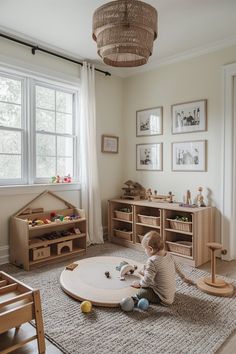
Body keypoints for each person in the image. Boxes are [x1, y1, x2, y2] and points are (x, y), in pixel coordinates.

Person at [131, 231, 194, 305]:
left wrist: (139, 283)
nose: (145, 251)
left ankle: (138, 298)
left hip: (161, 296)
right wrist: (183, 278)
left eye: (145, 249)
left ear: (150, 249)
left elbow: (147, 281)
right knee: (150, 271)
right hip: (170, 294)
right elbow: (177, 268)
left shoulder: (152, 261)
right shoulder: (169, 255)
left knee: (141, 292)